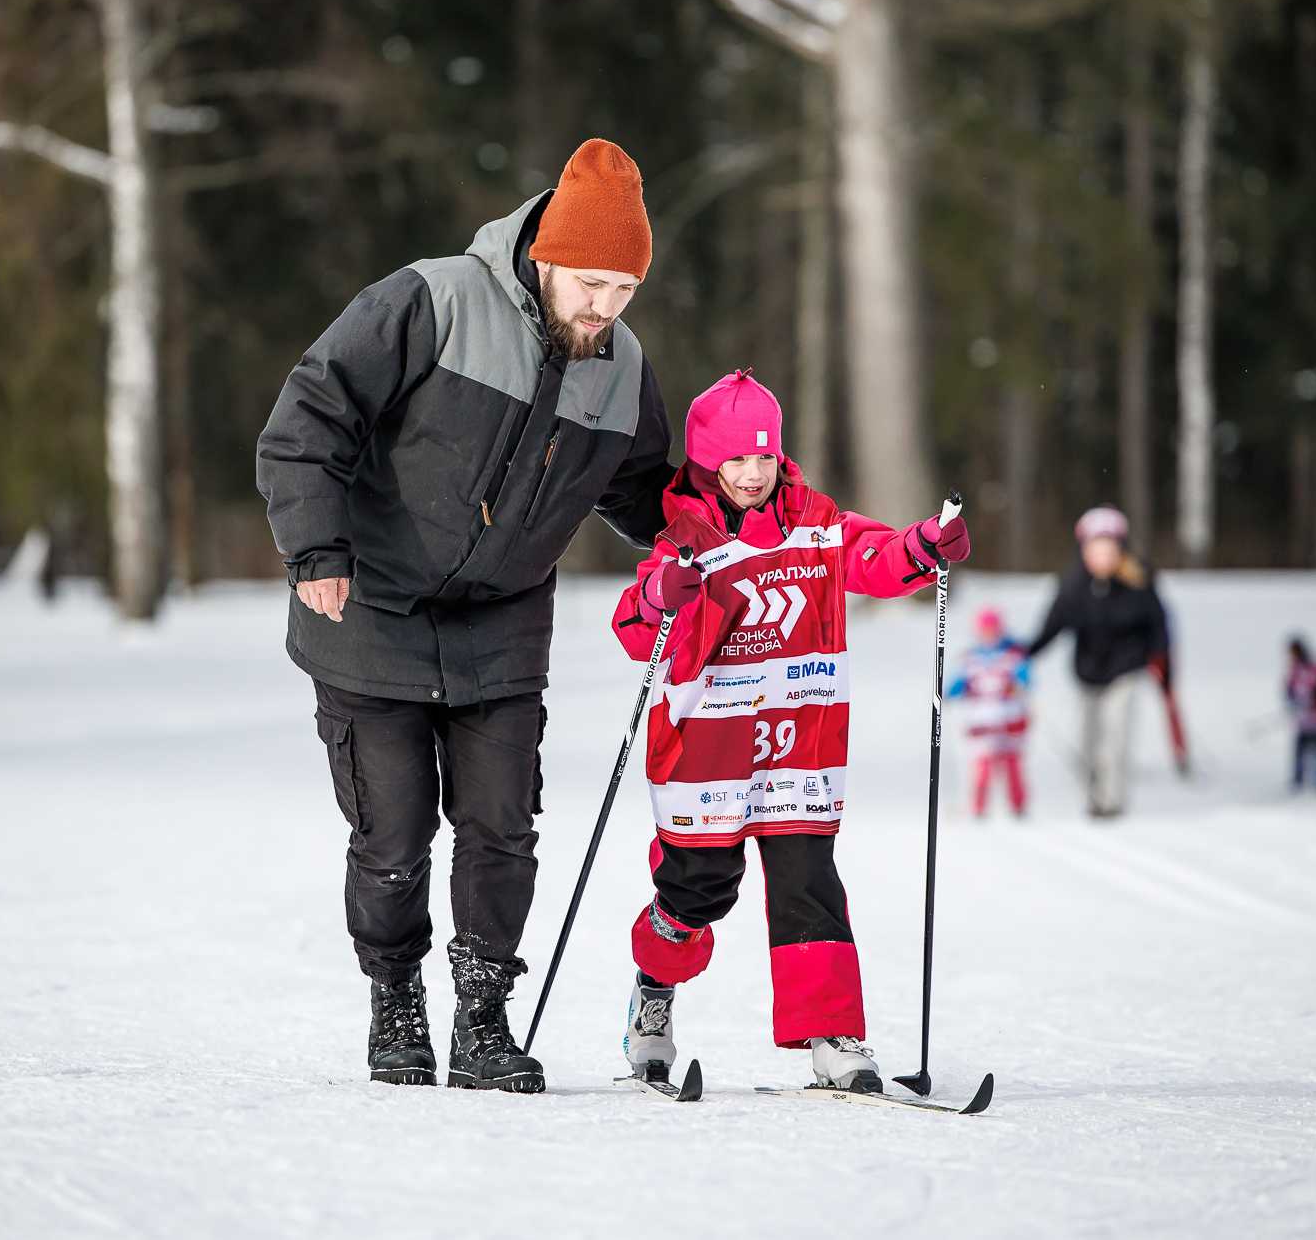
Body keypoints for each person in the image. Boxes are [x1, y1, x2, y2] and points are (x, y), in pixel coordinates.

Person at [255, 139, 675, 1093]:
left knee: (501, 831)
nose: (604, 307)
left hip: (503, 623)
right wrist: (317, 547)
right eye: (590, 282)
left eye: (624, 288)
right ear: (546, 255)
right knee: (392, 837)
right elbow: (309, 414)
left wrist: (721, 524)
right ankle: (394, 996)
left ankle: (483, 1018)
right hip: (371, 609)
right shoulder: (432, 299)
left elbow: (651, 490)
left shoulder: (621, 363)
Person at [608, 370, 970, 1092]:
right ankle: (654, 989)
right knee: (699, 888)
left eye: (765, 458)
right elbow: (630, 623)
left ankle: (834, 1034)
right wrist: (658, 594)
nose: (752, 473)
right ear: (709, 463)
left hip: (797, 740)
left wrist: (926, 545)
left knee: (809, 883)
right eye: (736, 460)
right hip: (706, 752)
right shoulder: (684, 537)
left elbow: (872, 556)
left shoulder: (817, 522)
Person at [1024, 506, 1171, 820]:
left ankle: (1111, 800)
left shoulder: (1138, 579)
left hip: (1125, 669)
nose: (1102, 557)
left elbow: (1158, 623)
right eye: (1095, 549)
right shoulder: (1073, 584)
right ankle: (1093, 794)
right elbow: (1053, 625)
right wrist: (1026, 654)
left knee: (1115, 734)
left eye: (1109, 549)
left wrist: (1158, 657)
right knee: (1089, 739)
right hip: (1088, 672)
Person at [946, 608, 1031, 818]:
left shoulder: (1013, 655)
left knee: (1012, 765)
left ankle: (1018, 806)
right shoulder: (971, 658)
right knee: (982, 767)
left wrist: (1019, 685)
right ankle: (978, 808)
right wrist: (949, 693)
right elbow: (958, 683)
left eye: (993, 629)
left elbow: (1025, 679)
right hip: (981, 719)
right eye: (985, 630)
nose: (989, 634)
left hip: (1008, 717)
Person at [1284, 635, 1316, 791]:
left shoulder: (1315, 667)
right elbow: (1290, 689)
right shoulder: (1295, 670)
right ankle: (1299, 778)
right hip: (1302, 716)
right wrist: (1292, 701)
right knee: (1300, 748)